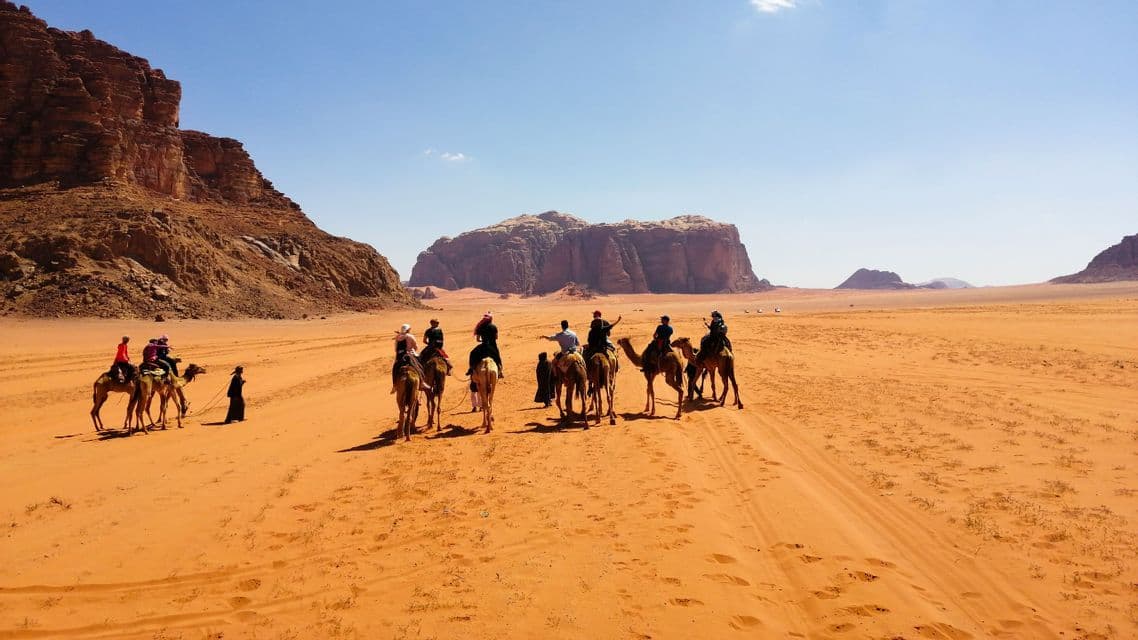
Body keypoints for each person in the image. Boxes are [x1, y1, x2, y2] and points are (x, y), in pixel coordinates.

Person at [391, 324, 431, 394]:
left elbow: (395, 349)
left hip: (399, 356)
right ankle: (422, 382)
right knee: (419, 366)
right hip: (409, 355)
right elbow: (415, 347)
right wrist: (412, 350)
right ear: (408, 330)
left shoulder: (397, 337)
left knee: (395, 368)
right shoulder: (410, 336)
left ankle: (394, 386)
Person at [468, 311, 503, 378]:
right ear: (491, 319)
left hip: (483, 346)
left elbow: (478, 339)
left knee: (472, 353)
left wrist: (483, 340)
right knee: (498, 358)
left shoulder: (480, 327)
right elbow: (496, 337)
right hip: (493, 346)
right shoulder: (494, 327)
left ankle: (471, 370)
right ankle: (500, 372)